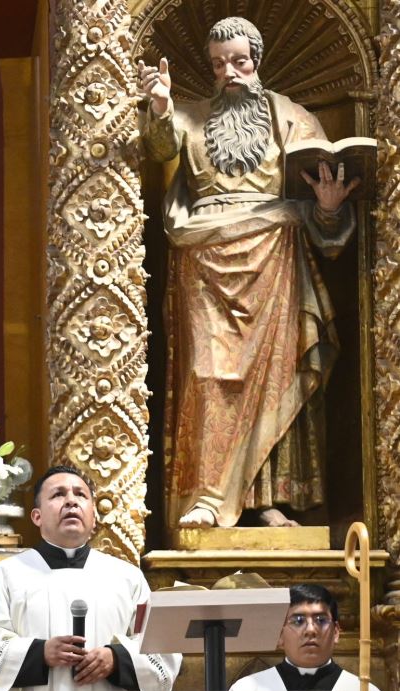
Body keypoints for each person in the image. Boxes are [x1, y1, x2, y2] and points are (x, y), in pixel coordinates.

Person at [138, 17, 359, 528]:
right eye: (219, 65)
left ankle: (270, 505)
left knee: (278, 376)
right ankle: (207, 499)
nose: (229, 73)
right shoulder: (187, 116)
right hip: (204, 261)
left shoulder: (293, 117)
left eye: (239, 62)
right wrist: (160, 107)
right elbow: (160, 150)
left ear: (257, 61)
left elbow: (320, 201)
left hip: (274, 258)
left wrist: (327, 208)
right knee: (207, 376)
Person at [0, 465, 180, 691]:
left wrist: (115, 659)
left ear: (93, 517)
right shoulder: (6, 575)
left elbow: (162, 650)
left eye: (81, 495)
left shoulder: (128, 577)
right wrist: (39, 653)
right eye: (58, 494)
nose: (71, 501)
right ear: (37, 516)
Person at [228, 584, 392, 691]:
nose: (311, 630)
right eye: (298, 621)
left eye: (321, 620)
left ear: (335, 632)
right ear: (279, 635)